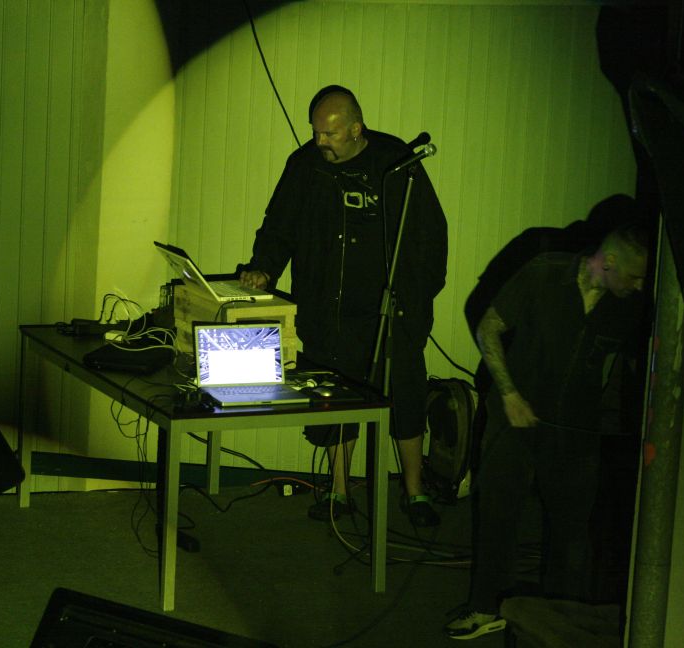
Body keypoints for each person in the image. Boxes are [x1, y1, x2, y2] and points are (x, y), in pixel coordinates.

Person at [238, 86, 448, 527]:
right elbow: (279, 225)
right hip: (327, 312)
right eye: (316, 132)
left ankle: (415, 491)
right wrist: (264, 269)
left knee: (405, 397)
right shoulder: (305, 166)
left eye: (329, 134)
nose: (320, 142)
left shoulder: (396, 163)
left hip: (390, 315)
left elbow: (430, 236)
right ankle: (338, 490)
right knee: (334, 400)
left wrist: (416, 301)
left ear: (355, 129)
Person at [445, 222, 650, 640]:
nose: (640, 285)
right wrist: (509, 394)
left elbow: (627, 365)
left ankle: (562, 617)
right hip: (513, 416)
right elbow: (488, 327)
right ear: (609, 261)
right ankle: (485, 607)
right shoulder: (544, 273)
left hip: (576, 429)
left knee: (572, 530)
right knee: (499, 515)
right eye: (634, 276)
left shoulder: (625, 306)